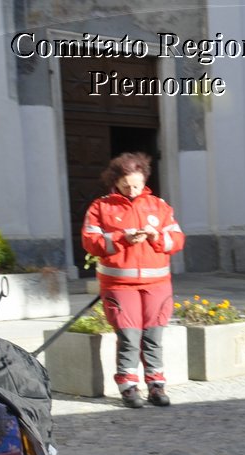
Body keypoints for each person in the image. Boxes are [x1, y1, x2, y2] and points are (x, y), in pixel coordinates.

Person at [81, 153, 185, 410]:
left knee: (153, 335)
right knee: (128, 336)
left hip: (157, 284)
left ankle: (156, 384)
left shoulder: (158, 206)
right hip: (119, 285)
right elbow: (90, 242)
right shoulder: (101, 207)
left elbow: (177, 240)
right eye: (127, 185)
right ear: (116, 181)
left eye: (137, 185)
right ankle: (128, 385)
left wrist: (155, 236)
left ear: (144, 180)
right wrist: (122, 238)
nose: (133, 190)